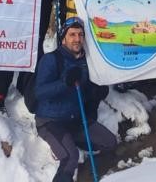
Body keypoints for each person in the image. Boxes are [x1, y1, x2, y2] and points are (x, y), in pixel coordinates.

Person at [35, 17, 116, 182]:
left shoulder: (86, 62)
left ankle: (93, 174)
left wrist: (97, 91)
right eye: (72, 34)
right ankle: (63, 149)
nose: (77, 39)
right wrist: (64, 83)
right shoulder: (52, 60)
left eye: (80, 34)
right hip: (51, 121)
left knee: (110, 142)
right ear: (64, 37)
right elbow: (40, 93)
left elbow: (86, 92)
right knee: (70, 158)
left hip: (75, 120)